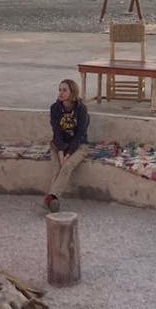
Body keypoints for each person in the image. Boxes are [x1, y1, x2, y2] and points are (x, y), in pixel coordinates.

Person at [44, 78, 89, 213]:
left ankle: (50, 198)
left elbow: (80, 133)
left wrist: (68, 154)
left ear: (72, 91)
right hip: (58, 145)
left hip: (79, 145)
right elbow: (56, 132)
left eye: (64, 90)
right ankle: (53, 200)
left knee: (67, 165)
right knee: (57, 168)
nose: (61, 93)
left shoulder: (81, 109)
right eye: (60, 90)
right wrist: (61, 152)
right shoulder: (55, 108)